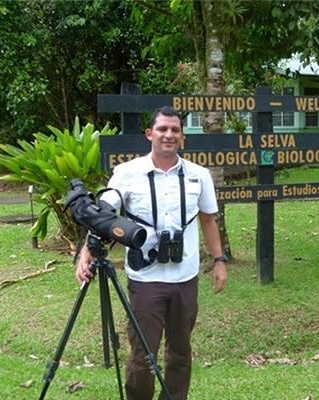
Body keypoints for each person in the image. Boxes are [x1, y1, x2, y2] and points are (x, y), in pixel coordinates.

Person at [75, 106, 228, 400]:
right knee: (143, 355)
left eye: (174, 130)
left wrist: (219, 260)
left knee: (181, 352)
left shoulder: (199, 175)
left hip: (186, 277)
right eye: (162, 129)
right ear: (149, 134)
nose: (168, 135)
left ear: (182, 136)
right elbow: (105, 216)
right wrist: (87, 251)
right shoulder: (127, 173)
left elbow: (208, 219)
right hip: (146, 279)